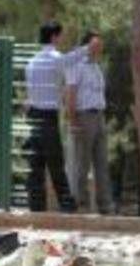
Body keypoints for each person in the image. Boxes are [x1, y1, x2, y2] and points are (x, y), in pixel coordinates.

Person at [23, 21, 88, 213]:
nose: (61, 39)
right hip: (48, 117)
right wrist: (88, 47)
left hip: (33, 116)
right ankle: (67, 206)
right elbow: (72, 58)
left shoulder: (31, 62)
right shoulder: (55, 58)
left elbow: (29, 92)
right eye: (60, 35)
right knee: (56, 164)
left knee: (35, 165)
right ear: (53, 37)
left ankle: (36, 208)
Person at [65, 30, 112, 214]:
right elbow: (70, 93)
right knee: (80, 163)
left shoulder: (96, 66)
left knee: (101, 162)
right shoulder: (76, 64)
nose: (98, 48)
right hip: (83, 116)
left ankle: (105, 205)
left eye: (100, 45)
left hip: (99, 116)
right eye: (94, 45)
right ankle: (80, 203)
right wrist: (72, 120)